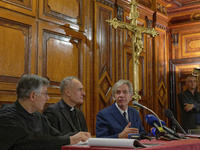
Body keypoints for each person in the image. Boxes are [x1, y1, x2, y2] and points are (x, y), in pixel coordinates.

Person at [0, 74, 91, 150]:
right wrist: (69, 139)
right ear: (33, 95)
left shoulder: (38, 116)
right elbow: (29, 143)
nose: (47, 98)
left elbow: (56, 136)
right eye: (45, 94)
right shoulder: (6, 116)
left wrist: (79, 135)